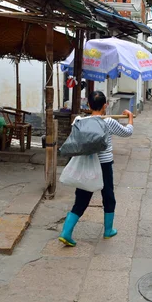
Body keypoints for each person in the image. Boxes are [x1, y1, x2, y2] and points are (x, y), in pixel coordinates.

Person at [59, 91, 134, 246]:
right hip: (104, 165)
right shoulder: (108, 122)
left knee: (82, 198)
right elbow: (127, 132)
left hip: (86, 164)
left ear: (88, 105)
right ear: (105, 105)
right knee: (108, 196)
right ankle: (108, 230)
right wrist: (131, 118)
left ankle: (66, 232)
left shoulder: (79, 121)